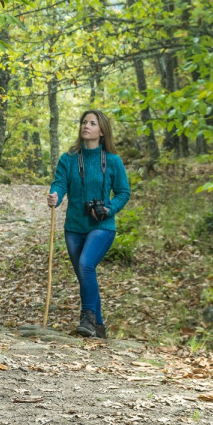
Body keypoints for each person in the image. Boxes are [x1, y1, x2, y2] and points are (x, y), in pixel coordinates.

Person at [46, 110, 131, 339]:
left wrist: (109, 208)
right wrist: (55, 195)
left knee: (85, 265)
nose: (86, 126)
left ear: (101, 131)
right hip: (74, 226)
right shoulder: (69, 158)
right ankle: (98, 327)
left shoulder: (112, 161)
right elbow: (60, 183)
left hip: (102, 226)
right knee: (86, 274)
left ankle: (86, 317)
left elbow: (124, 192)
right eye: (84, 122)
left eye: (92, 123)